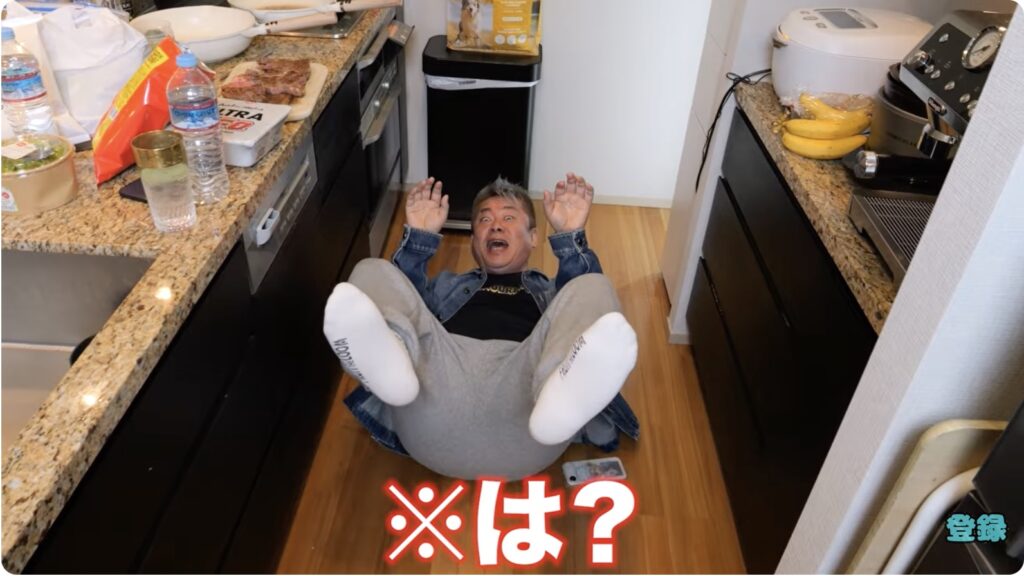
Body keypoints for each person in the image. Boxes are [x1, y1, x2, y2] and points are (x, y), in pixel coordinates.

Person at [323, 173, 639, 480]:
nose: (496, 225)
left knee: (592, 286)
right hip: (434, 402)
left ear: (533, 238)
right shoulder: (445, 287)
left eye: (509, 217)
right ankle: (392, 371)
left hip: (529, 413)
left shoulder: (552, 293)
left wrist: (570, 234)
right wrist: (418, 237)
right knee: (372, 269)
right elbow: (399, 295)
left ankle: (561, 397)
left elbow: (583, 305)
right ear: (474, 242)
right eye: (484, 220)